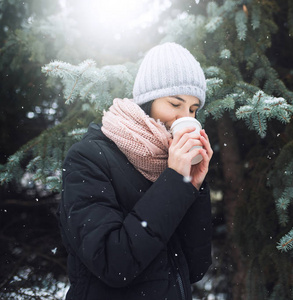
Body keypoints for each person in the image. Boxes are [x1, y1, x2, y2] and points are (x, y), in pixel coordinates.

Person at [58, 43, 213, 300]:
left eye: (193, 110)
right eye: (175, 104)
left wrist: (193, 185)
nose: (184, 117)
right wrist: (174, 182)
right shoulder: (88, 159)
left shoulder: (171, 165)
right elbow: (114, 264)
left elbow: (194, 268)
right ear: (147, 103)